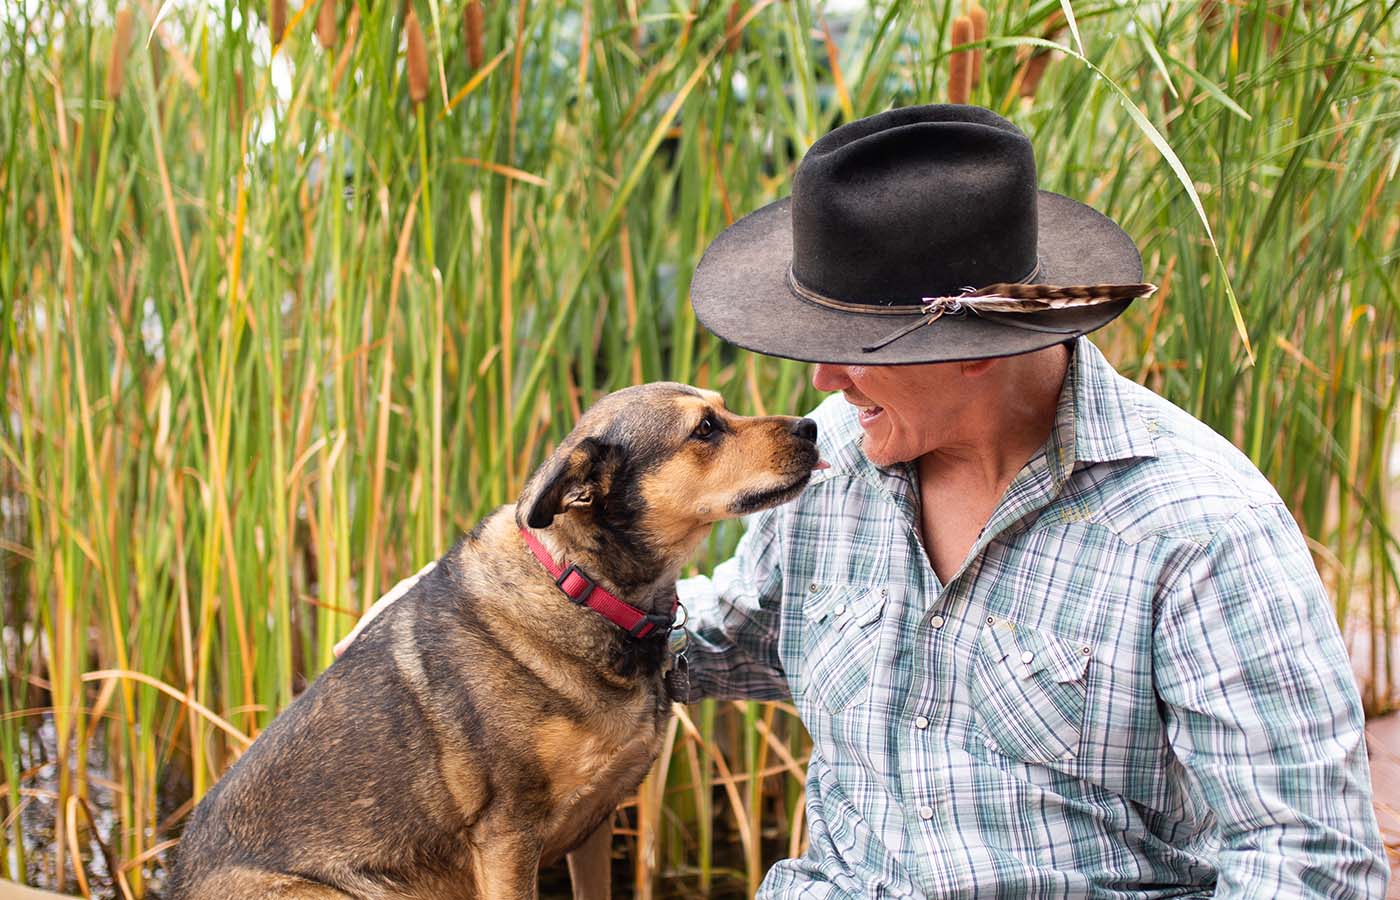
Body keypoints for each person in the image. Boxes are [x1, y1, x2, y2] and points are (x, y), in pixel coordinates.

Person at [340, 105, 1389, 897]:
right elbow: (723, 635)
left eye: (851, 355)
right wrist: (463, 624)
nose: (822, 387)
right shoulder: (836, 458)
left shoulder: (1198, 529)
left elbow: (1304, 863)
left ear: (975, 352)